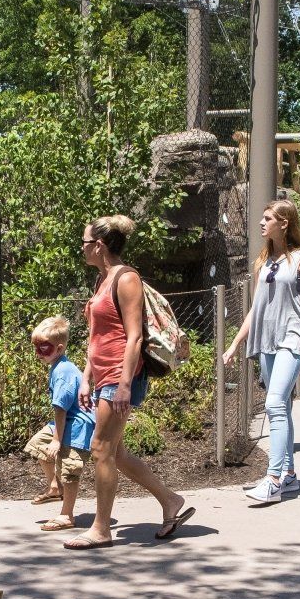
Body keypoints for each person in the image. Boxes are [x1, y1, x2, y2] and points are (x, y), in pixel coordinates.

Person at [67, 215, 191, 548]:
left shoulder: (126, 279)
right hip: (103, 376)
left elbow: (134, 337)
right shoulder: (101, 280)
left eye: (83, 242)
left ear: (98, 245)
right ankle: (170, 501)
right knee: (116, 454)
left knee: (101, 450)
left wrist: (122, 385)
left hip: (123, 377)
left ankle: (101, 529)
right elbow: (98, 336)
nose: (81, 248)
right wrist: (85, 378)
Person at [224, 201, 300, 504]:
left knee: (273, 404)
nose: (261, 223)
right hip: (266, 340)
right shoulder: (263, 262)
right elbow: (256, 309)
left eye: (268, 218)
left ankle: (273, 480)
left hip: (293, 337)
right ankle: (290, 475)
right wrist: (235, 344)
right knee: (280, 404)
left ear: (284, 223)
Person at [28, 315, 97, 531]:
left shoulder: (63, 371)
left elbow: (61, 408)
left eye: (44, 348)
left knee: (69, 470)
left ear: (59, 348)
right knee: (37, 445)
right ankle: (54, 487)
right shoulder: (57, 366)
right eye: (36, 347)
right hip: (64, 421)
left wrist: (57, 440)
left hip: (77, 426)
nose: (38, 353)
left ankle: (67, 514)